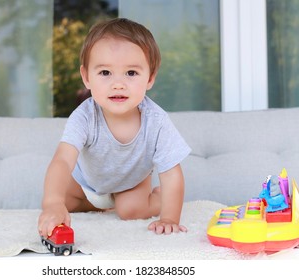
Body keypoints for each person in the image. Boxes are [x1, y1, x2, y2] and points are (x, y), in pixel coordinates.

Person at [38, 18, 191, 237]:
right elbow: (63, 160)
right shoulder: (85, 116)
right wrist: (52, 203)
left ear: (150, 78)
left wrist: (169, 217)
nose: (118, 83)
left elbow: (171, 172)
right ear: (86, 77)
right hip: (86, 183)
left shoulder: (156, 121)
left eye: (131, 73)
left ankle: (154, 197)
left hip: (131, 183)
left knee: (131, 210)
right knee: (64, 203)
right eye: (105, 73)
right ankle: (99, 203)